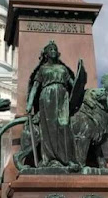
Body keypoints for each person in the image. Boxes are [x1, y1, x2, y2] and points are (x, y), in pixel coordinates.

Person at [26, 41, 78, 169]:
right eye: (51, 49)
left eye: (55, 49)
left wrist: (78, 89)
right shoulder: (43, 69)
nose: (53, 51)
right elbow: (35, 86)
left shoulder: (63, 69)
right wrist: (29, 103)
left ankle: (66, 159)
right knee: (48, 129)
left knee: (64, 126)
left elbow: (73, 85)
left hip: (62, 96)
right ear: (46, 54)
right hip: (47, 97)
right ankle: (49, 159)